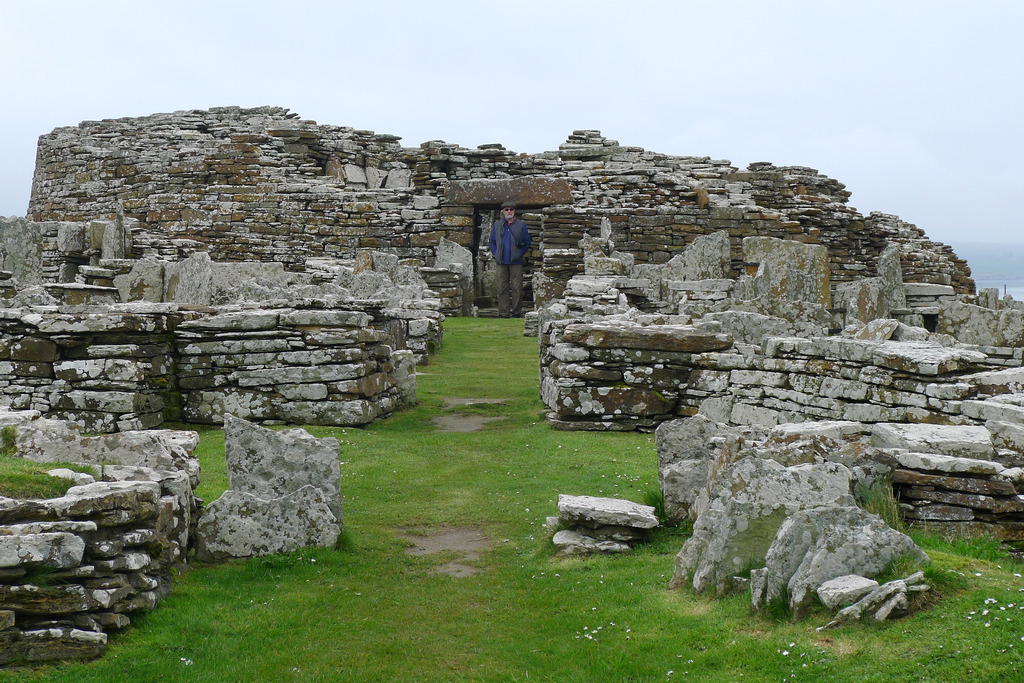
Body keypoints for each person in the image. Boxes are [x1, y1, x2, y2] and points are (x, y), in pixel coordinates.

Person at [488, 200, 532, 318]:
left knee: (517, 287)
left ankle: (517, 312)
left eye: (511, 209)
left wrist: (519, 253)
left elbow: (527, 242)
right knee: (502, 288)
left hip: (516, 261)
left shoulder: (521, 225)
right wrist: (496, 253)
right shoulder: (497, 225)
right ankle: (503, 313)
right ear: (503, 211)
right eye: (506, 210)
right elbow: (492, 241)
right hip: (501, 261)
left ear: (514, 211)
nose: (509, 212)